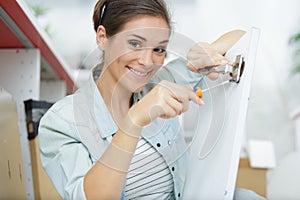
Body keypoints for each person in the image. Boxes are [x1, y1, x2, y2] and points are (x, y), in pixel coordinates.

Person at [38, 0, 265, 199]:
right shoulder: (62, 122)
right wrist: (134, 120)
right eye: (135, 43)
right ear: (102, 38)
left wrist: (200, 52)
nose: (147, 61)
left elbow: (241, 38)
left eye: (158, 49)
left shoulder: (161, 82)